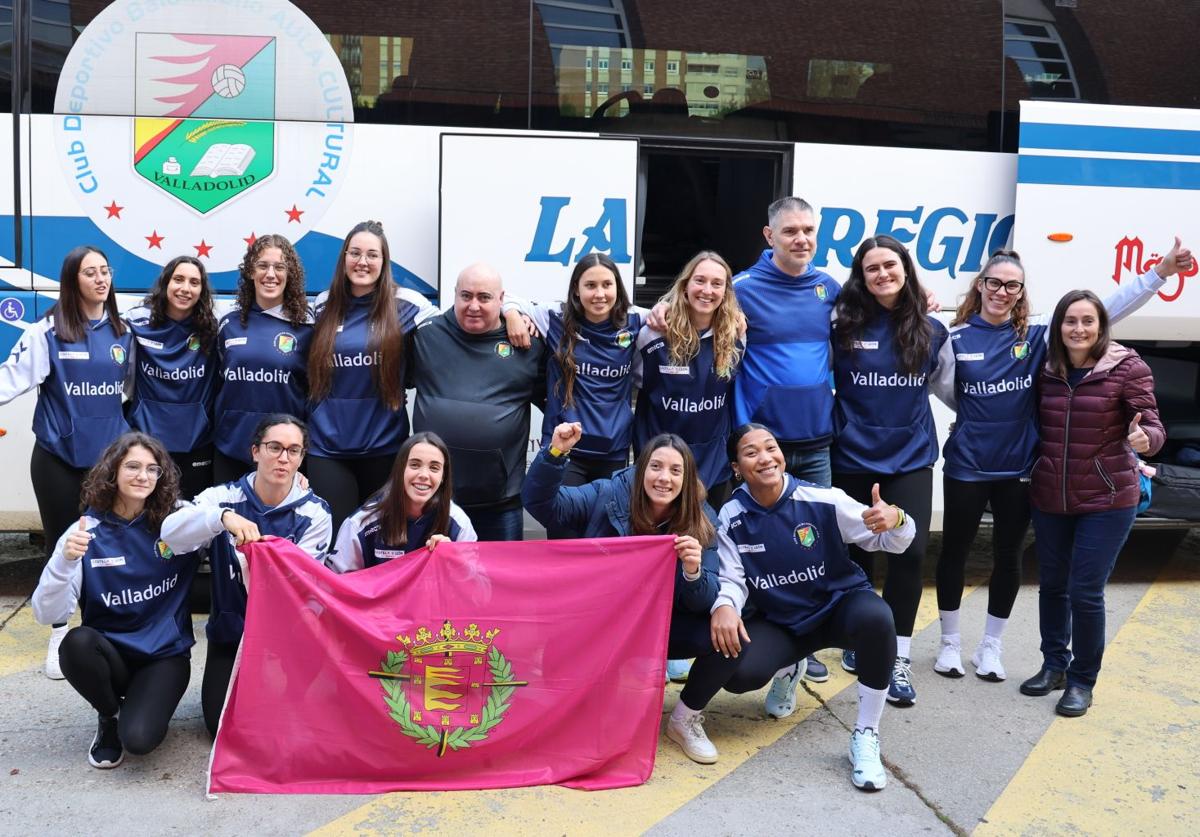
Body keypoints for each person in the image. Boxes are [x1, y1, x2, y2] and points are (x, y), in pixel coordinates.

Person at [932, 239, 1192, 682]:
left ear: (1020, 293)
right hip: (967, 465)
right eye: (993, 283)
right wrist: (977, 420)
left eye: (1012, 286)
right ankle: (950, 644)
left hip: (1018, 469)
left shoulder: (1034, 337)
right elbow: (943, 389)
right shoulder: (951, 337)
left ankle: (990, 647)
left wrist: (1159, 273)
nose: (1001, 291)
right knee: (954, 551)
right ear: (980, 286)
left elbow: (1105, 309)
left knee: (1009, 555)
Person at [666, 424, 914, 790]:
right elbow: (732, 579)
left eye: (771, 448)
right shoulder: (732, 516)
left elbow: (891, 543)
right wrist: (724, 606)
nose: (765, 457)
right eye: (751, 452)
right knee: (738, 672)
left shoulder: (823, 498)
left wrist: (897, 519)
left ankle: (865, 734)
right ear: (736, 466)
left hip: (837, 609)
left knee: (878, 618)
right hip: (782, 623)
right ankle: (788, 667)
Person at [1022, 290, 1164, 717]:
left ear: (1101, 326)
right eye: (1070, 321)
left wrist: (1147, 440)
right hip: (1051, 493)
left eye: (1088, 321)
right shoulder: (1046, 368)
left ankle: (1082, 680)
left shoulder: (1127, 368)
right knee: (1052, 585)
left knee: (1084, 592)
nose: (1078, 329)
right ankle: (1054, 665)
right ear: (1058, 327)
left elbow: (1153, 424)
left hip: (1107, 497)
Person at [828, 236, 950, 706]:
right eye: (872, 268)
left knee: (911, 554)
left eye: (890, 265)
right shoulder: (841, 321)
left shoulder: (932, 326)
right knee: (857, 555)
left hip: (910, 458)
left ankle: (898, 657)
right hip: (853, 455)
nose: (882, 274)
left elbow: (948, 387)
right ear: (861, 275)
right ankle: (862, 638)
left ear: (906, 269)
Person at [0, 245, 131, 679]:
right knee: (63, 546)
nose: (100, 279)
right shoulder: (47, 332)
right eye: (90, 272)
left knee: (107, 549)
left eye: (105, 272)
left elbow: (130, 396)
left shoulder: (123, 333)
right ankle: (58, 635)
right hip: (57, 459)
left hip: (105, 464)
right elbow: (10, 380)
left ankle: (99, 633)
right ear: (73, 280)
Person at [31, 432, 199, 769]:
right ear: (112, 472)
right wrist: (64, 561)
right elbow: (45, 611)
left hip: (163, 656)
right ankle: (109, 713)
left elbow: (216, 515)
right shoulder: (85, 530)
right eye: (133, 466)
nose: (143, 476)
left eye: (153, 469)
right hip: (112, 655)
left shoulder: (176, 517)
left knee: (138, 740)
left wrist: (229, 516)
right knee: (75, 643)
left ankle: (133, 710)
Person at [522, 422, 719, 704]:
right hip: (599, 620)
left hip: (658, 626)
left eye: (676, 471)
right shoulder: (607, 494)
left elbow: (705, 599)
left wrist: (693, 572)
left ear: (686, 480)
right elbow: (541, 504)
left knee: (724, 638)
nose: (664, 478)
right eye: (655, 467)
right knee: (563, 689)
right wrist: (555, 454)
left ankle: (685, 717)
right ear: (641, 471)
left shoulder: (701, 518)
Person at [160, 414, 332, 737]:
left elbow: (296, 591)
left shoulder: (315, 513)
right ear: (255, 452)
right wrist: (221, 518)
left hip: (282, 639)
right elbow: (171, 534)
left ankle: (290, 683)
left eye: (293, 451)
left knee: (280, 730)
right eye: (274, 447)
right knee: (220, 728)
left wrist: (255, 559)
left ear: (301, 458)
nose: (283, 458)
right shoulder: (222, 498)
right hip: (231, 632)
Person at [306, 221, 438, 534]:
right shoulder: (323, 304)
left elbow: (459, 327)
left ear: (384, 261)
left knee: (382, 543)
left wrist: (513, 311)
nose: (362, 261)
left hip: (384, 449)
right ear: (344, 259)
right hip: (327, 449)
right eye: (355, 253)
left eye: (372, 255)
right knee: (335, 542)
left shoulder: (409, 304)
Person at [409, 263, 546, 541]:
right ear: (455, 294)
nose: (473, 305)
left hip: (500, 503)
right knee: (437, 581)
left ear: (501, 298)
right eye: (466, 296)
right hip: (432, 496)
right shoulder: (424, 336)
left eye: (484, 297)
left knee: (499, 581)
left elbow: (555, 403)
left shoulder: (526, 344)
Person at [515, 255, 645, 507]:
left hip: (613, 451)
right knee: (564, 530)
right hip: (566, 450)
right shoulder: (554, 317)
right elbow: (505, 298)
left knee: (606, 531)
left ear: (618, 286)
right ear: (576, 288)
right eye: (590, 285)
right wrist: (512, 314)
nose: (600, 294)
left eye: (607, 284)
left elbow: (679, 314)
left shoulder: (636, 321)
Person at [633, 250, 743, 511]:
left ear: (726, 292)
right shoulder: (654, 332)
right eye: (700, 280)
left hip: (713, 462)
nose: (707, 290)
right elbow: (635, 383)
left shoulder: (736, 335)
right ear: (685, 286)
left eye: (717, 284)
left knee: (705, 542)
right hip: (660, 461)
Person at [212, 234, 312, 485]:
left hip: (283, 454)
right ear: (249, 272)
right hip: (231, 448)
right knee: (227, 523)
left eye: (279, 267)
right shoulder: (228, 323)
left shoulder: (307, 326)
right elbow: (217, 383)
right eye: (263, 266)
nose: (271, 274)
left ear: (290, 274)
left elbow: (314, 394)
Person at [124, 255, 219, 500]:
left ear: (202, 290)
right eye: (179, 279)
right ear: (166, 282)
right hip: (148, 444)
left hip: (197, 444)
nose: (185, 288)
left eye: (194, 282)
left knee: (191, 522)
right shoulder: (136, 322)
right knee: (148, 523)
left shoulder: (212, 329)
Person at [328, 431, 477, 572]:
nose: (424, 475)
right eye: (415, 465)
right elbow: (338, 584)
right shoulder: (361, 523)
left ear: (443, 476)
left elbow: (479, 588)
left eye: (434, 468)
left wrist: (456, 561)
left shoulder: (458, 523)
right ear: (400, 469)